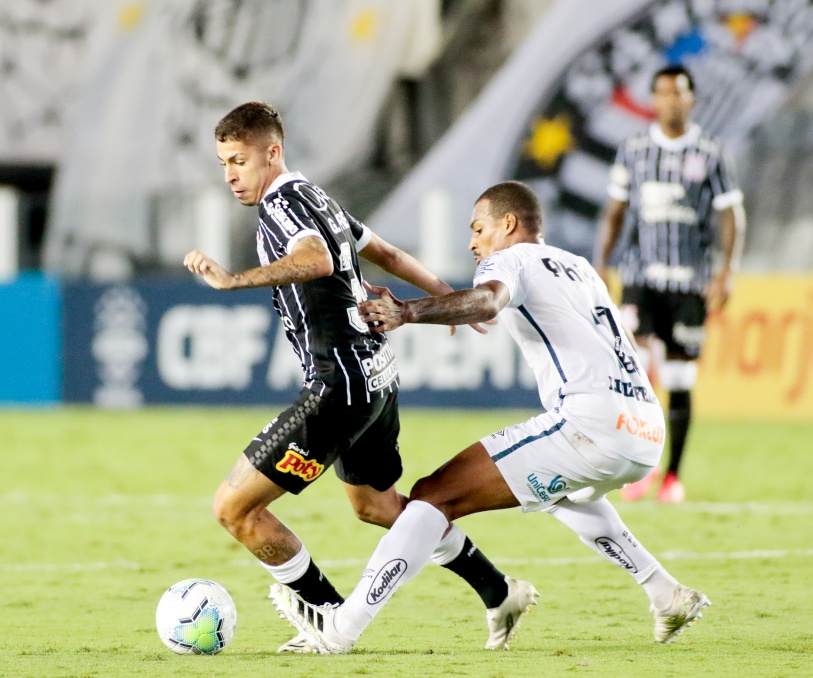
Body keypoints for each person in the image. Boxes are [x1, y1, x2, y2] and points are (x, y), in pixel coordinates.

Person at [270, 180, 711, 653]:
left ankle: (341, 628)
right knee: (562, 493)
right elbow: (497, 305)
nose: (472, 242)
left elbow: (490, 299)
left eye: (478, 228)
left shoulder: (510, 259)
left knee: (431, 497)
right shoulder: (578, 267)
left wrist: (407, 311)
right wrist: (437, 301)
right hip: (643, 428)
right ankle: (665, 593)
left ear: (509, 224)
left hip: (591, 425)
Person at [183, 101, 516, 654]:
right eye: (223, 164)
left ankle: (329, 617)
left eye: (238, 160)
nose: (230, 176)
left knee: (234, 508)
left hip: (337, 388)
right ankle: (498, 590)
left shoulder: (282, 206)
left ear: (272, 152)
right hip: (374, 377)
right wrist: (447, 297)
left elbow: (315, 261)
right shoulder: (316, 195)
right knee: (376, 507)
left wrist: (232, 280)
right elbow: (381, 251)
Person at [595, 65, 746, 503]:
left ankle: (672, 476)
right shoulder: (635, 149)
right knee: (637, 374)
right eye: (662, 93)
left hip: (689, 282)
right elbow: (615, 211)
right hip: (642, 279)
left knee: (679, 376)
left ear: (691, 99)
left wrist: (726, 270)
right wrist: (601, 265)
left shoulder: (711, 152)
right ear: (653, 100)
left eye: (678, 93)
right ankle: (639, 469)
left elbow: (731, 213)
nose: (670, 101)